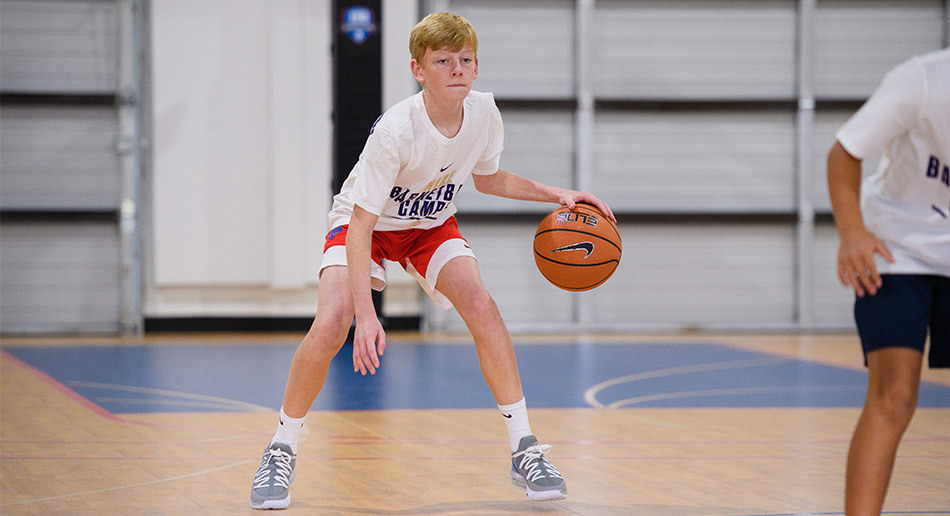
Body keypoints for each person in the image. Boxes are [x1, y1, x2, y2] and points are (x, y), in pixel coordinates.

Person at [249, 12, 615, 510]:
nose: (457, 69)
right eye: (443, 61)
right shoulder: (396, 131)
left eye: (465, 60)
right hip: (367, 226)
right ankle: (282, 447)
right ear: (419, 69)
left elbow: (487, 179)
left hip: (428, 225)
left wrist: (557, 194)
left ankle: (525, 446)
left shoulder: (484, 113)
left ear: (477, 66)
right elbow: (359, 227)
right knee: (333, 322)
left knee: (482, 306)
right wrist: (366, 315)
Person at [826, 47, 949, 516]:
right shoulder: (923, 80)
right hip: (897, 249)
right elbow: (845, 152)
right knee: (895, 394)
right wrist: (852, 231)